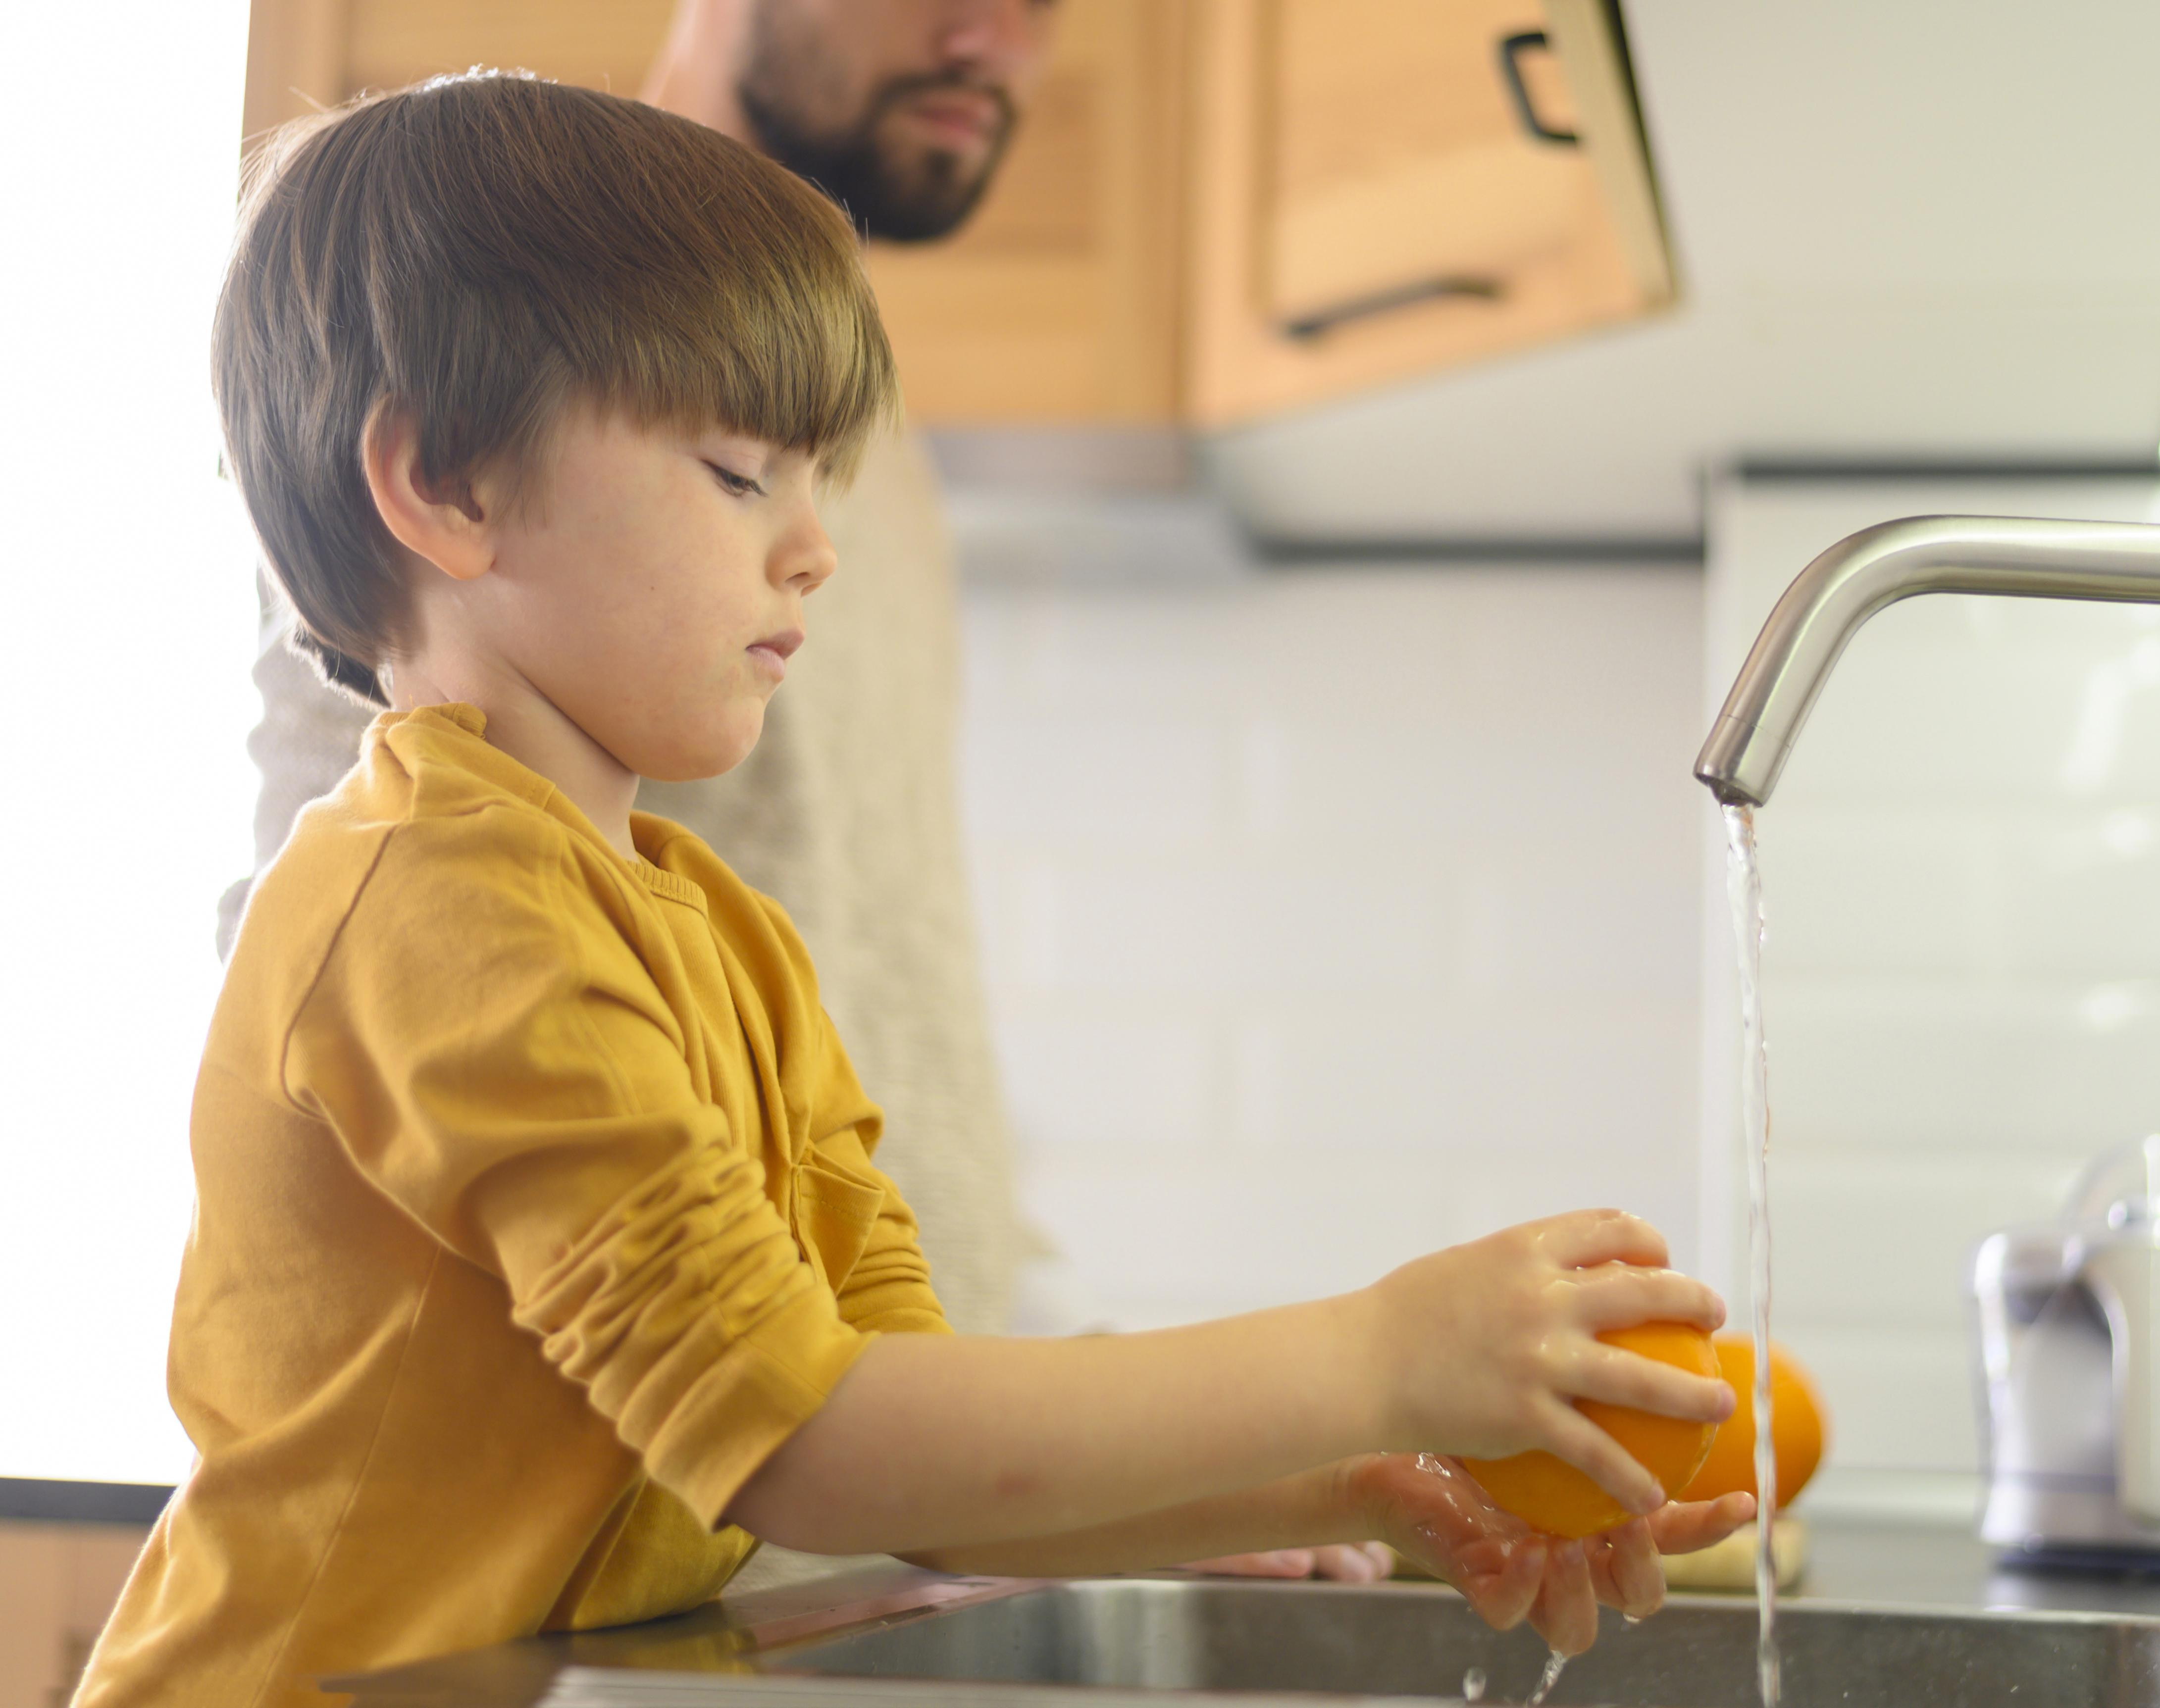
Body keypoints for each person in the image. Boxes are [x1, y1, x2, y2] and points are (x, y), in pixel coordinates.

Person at [77, 75, 1750, 1708]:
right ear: (447, 485)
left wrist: (1363, 1481)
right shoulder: (438, 903)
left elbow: (901, 1439)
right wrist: (1377, 1357)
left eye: (820, 479)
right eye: (740, 471)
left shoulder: (721, 939)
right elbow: (800, 1442)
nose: (814, 544)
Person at [224, 0, 1058, 1346]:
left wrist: (1043, 1395)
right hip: (649, 1397)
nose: (998, 41)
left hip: (878, 1408)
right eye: (734, 471)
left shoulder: (875, 462)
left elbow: (881, 957)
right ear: (447, 485)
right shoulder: (490, 327)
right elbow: (347, 922)